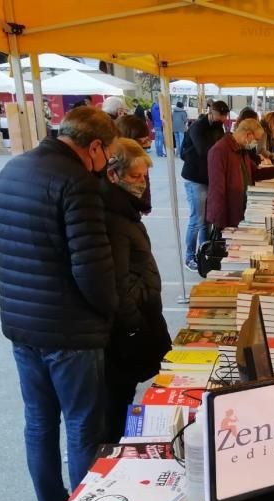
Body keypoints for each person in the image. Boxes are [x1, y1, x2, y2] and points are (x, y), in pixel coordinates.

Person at [0, 106, 119, 501]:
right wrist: (107, 312)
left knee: (39, 422)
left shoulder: (13, 170)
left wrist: (28, 290)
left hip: (23, 328)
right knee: (82, 427)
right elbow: (92, 270)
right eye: (107, 155)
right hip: (71, 332)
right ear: (94, 146)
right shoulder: (78, 184)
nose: (105, 163)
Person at [101, 139, 171, 442]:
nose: (142, 184)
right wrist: (134, 322)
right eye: (135, 177)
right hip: (128, 330)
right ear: (113, 175)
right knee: (117, 405)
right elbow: (115, 281)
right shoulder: (114, 217)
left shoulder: (124, 211)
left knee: (123, 399)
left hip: (137, 321)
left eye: (144, 177)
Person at [206, 118, 274, 230]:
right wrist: (221, 225)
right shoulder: (219, 151)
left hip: (243, 209)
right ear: (247, 135)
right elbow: (217, 191)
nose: (256, 143)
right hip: (229, 216)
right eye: (256, 139)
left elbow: (255, 173)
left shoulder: (241, 150)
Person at [181, 100, 229, 271]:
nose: (222, 120)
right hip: (195, 178)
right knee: (197, 220)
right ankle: (189, 257)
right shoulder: (197, 127)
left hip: (208, 177)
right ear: (212, 112)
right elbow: (205, 150)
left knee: (206, 220)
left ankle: (204, 251)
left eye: (224, 117)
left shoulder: (218, 127)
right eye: (220, 116)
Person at [116, 115, 154, 214]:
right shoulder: (118, 161)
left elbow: (145, 181)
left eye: (146, 141)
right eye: (142, 142)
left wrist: (145, 206)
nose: (146, 146)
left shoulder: (138, 156)